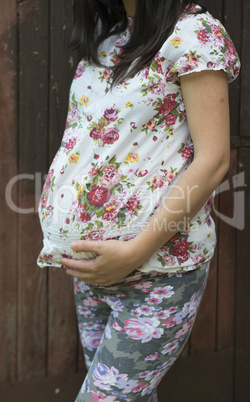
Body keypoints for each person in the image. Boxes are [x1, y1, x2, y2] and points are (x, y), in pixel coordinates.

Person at [37, 0, 240, 400]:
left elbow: (214, 161)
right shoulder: (110, 38)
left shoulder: (193, 34)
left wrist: (133, 253)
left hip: (158, 271)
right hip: (91, 272)